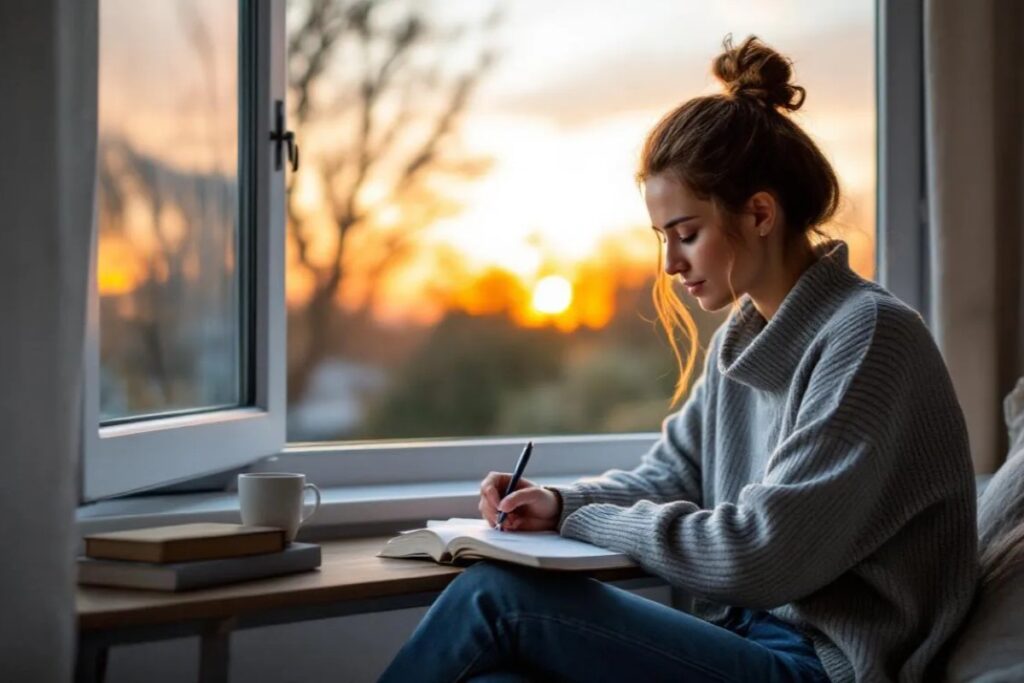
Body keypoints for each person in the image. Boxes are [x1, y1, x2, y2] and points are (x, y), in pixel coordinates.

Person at [378, 35, 978, 683]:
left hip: (826, 667)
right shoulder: (743, 341)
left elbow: (757, 554)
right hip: (744, 640)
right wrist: (554, 499)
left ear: (760, 213)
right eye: (662, 239)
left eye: (686, 234)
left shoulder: (871, 338)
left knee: (496, 597)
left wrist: (583, 517)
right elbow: (671, 477)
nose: (669, 264)